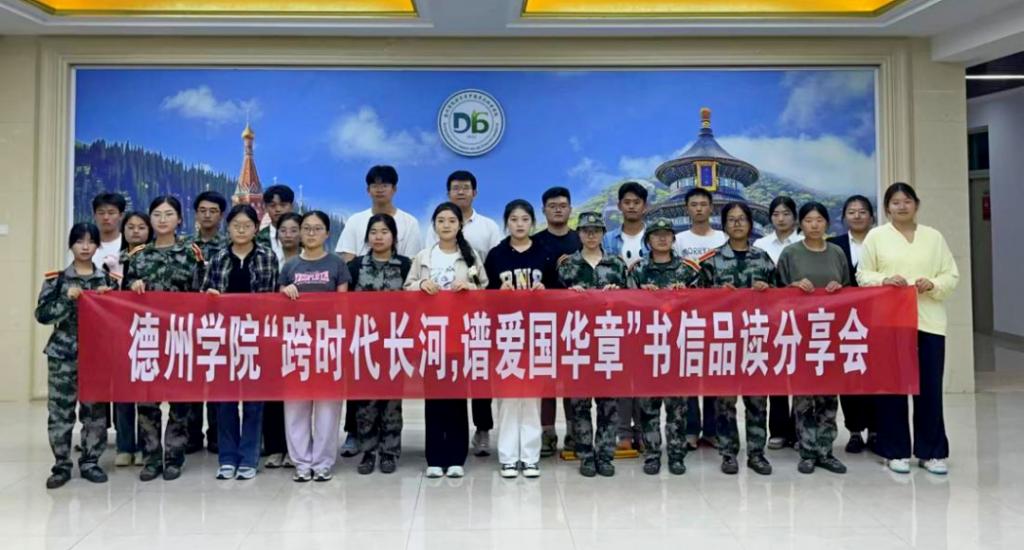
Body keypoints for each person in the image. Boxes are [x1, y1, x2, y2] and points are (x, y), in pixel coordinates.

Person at [857, 182, 959, 475]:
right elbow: (863, 275)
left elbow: (951, 275)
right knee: (893, 388)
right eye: (895, 202)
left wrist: (933, 283)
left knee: (929, 388)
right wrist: (885, 280)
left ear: (916, 204)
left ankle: (932, 452)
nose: (902, 207)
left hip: (929, 321)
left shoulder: (933, 237)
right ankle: (895, 450)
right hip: (890, 323)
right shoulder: (876, 237)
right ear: (887, 208)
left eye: (907, 201)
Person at [123, 196, 205, 481]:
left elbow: (200, 293)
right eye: (157, 214)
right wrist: (132, 286)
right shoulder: (138, 256)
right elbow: (122, 298)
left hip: (180, 337)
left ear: (179, 219)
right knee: (147, 402)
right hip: (147, 337)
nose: (162, 219)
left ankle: (174, 457)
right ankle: (151, 458)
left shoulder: (191, 253)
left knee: (180, 401)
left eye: (169, 214)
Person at [405, 202, 488, 479]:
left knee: (456, 399)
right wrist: (421, 285)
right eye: (441, 220)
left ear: (459, 225)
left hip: (460, 336)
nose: (446, 225)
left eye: (451, 220)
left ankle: (455, 457)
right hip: (431, 336)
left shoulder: (470, 256)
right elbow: (407, 288)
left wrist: (470, 287)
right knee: (434, 399)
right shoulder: (424, 256)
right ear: (434, 225)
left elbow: (486, 291)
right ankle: (435, 457)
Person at [424, 170, 502, 457]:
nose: (460, 192)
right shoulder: (429, 246)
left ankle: (482, 429)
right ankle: (440, 444)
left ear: (474, 192)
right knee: (444, 386)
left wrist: (473, 289)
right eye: (455, 188)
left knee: (479, 378)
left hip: (474, 321)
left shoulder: (488, 226)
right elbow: (416, 279)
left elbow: (489, 275)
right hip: (437, 326)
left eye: (465, 187)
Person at [202, 204, 279, 480]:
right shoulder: (218, 257)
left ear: (256, 228)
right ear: (228, 228)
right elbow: (203, 294)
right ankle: (227, 458)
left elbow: (272, 297)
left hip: (256, 338)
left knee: (254, 402)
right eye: (236, 225)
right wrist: (210, 296)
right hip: (223, 339)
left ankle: (249, 457)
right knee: (224, 402)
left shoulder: (268, 257)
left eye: (247, 225)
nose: (242, 230)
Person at [35, 222, 114, 489]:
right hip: (63, 355)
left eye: (90, 241)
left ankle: (91, 462)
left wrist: (107, 300)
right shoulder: (56, 280)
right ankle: (61, 465)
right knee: (60, 411)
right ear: (71, 245)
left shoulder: (107, 281)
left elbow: (118, 319)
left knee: (95, 411)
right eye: (79, 241)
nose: (85, 247)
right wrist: (66, 299)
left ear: (97, 246)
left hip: (96, 355)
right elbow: (42, 315)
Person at [699, 202, 774, 476]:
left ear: (750, 224)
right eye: (731, 219)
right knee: (725, 402)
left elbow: (782, 299)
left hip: (756, 339)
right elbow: (696, 302)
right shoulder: (711, 261)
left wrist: (768, 289)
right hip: (724, 341)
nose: (737, 223)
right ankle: (728, 453)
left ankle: (757, 454)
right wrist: (717, 294)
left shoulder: (763, 258)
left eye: (742, 219)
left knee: (757, 401)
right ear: (724, 225)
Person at [630, 218, 707, 476]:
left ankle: (676, 455)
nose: (662, 239)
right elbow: (625, 305)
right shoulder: (637, 270)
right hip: (647, 348)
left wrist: (686, 295)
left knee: (678, 408)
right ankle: (652, 454)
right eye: (656, 235)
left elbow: (706, 304)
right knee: (648, 408)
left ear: (674, 239)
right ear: (648, 240)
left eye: (667, 234)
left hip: (678, 347)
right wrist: (642, 295)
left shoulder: (689, 269)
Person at [777, 202, 849, 475]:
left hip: (830, 333)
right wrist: (793, 286)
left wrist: (839, 288)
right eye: (809, 220)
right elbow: (777, 292)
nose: (814, 225)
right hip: (801, 333)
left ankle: (826, 451)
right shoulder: (791, 253)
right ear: (801, 224)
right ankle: (807, 451)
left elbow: (849, 289)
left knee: (829, 395)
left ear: (827, 223)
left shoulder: (837, 252)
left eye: (819, 220)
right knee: (804, 396)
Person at [485, 199, 554, 479]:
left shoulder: (544, 253)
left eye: (525, 219)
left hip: (536, 333)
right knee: (508, 398)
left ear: (532, 223)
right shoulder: (496, 255)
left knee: (532, 398)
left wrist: (545, 290)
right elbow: (483, 295)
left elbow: (559, 292)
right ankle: (508, 457)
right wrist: (497, 295)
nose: (519, 224)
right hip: (505, 334)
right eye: (514, 219)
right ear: (506, 223)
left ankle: (530, 456)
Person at [280, 211, 351, 482]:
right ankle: (301, 462)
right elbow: (277, 306)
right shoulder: (290, 266)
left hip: (328, 342)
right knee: (296, 406)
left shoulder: (337, 264)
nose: (311, 233)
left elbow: (344, 305)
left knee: (327, 407)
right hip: (296, 342)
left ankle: (322, 462)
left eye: (317, 228)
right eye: (306, 228)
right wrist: (284, 292)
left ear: (327, 234)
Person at [558, 211, 628, 478]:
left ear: (602, 234)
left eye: (596, 230)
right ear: (579, 234)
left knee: (609, 403)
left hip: (609, 341)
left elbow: (633, 302)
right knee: (580, 403)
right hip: (579, 342)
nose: (591, 235)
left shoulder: (617, 264)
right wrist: (568, 296)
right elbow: (553, 304)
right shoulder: (567, 266)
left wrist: (618, 295)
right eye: (586, 231)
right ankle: (585, 455)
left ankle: (605, 455)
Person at [348, 214, 412, 475]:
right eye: (374, 232)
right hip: (365, 342)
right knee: (366, 401)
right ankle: (367, 451)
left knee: (392, 401)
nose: (378, 237)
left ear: (394, 237)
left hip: (396, 342)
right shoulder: (355, 266)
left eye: (384, 232)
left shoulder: (405, 265)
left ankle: (389, 451)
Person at [673, 187, 727, 450]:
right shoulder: (679, 240)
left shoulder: (723, 238)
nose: (698, 209)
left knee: (715, 373)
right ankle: (691, 429)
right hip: (687, 317)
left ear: (711, 208)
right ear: (687, 209)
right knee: (690, 374)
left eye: (703, 204)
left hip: (718, 316)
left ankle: (713, 430)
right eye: (693, 204)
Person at [531, 186, 581, 457]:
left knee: (573, 379)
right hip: (544, 321)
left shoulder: (581, 240)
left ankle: (575, 432)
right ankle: (547, 434)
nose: (558, 209)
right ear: (544, 210)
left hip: (576, 322)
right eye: (552, 206)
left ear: (570, 209)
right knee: (546, 381)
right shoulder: (535, 242)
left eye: (563, 205)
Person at [602, 182, 649, 454]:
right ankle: (622, 432)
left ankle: (643, 431)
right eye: (627, 202)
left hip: (647, 318)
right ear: (620, 206)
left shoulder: (657, 236)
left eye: (637, 202)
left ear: (645, 206)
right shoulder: (608, 240)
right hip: (616, 317)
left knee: (643, 376)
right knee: (620, 375)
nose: (631, 206)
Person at [829, 195, 877, 454]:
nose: (857, 216)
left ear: (872, 216)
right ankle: (855, 431)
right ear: (844, 217)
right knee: (849, 376)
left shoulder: (882, 242)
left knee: (876, 374)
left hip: (878, 320)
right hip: (845, 323)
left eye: (862, 211)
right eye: (851, 212)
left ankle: (876, 430)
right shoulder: (833, 245)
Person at [753, 196, 802, 451]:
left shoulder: (806, 242)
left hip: (802, 317)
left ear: (795, 217)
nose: (781, 219)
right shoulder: (760, 245)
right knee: (777, 373)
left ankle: (800, 430)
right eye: (776, 214)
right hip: (770, 318)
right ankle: (779, 430)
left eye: (786, 213)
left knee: (801, 375)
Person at [185, 190, 229, 456]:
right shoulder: (185, 246)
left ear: (221, 215)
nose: (207, 215)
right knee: (191, 381)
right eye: (202, 210)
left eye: (213, 211)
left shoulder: (229, 245)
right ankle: (191, 436)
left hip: (219, 324)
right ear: (196, 214)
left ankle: (216, 435)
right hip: (189, 323)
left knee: (216, 381)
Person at [261, 211, 303, 469]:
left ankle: (297, 449)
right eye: (283, 231)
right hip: (272, 334)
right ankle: (275, 447)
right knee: (273, 394)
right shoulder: (268, 260)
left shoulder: (310, 262)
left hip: (302, 335)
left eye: (294, 230)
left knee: (299, 395)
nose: (288, 235)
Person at [111, 211, 151, 468]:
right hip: (118, 332)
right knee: (123, 392)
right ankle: (125, 446)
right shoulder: (112, 261)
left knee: (146, 394)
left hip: (147, 331)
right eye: (131, 227)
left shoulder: (153, 257)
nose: (135, 231)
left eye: (141, 227)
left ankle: (147, 447)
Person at [336, 165, 423, 263]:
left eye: (385, 185)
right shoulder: (354, 221)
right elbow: (348, 258)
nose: (380, 190)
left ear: (394, 189)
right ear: (368, 190)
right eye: (375, 186)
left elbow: (412, 261)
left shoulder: (410, 223)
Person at [256, 184, 295, 262]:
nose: (278, 209)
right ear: (265, 208)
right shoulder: (259, 238)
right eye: (272, 205)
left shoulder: (302, 236)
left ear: (291, 206)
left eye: (283, 205)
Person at [91, 192, 127, 274]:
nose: (106, 217)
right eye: (101, 213)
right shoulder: (86, 246)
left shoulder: (128, 245)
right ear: (94, 215)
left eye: (111, 213)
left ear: (121, 216)